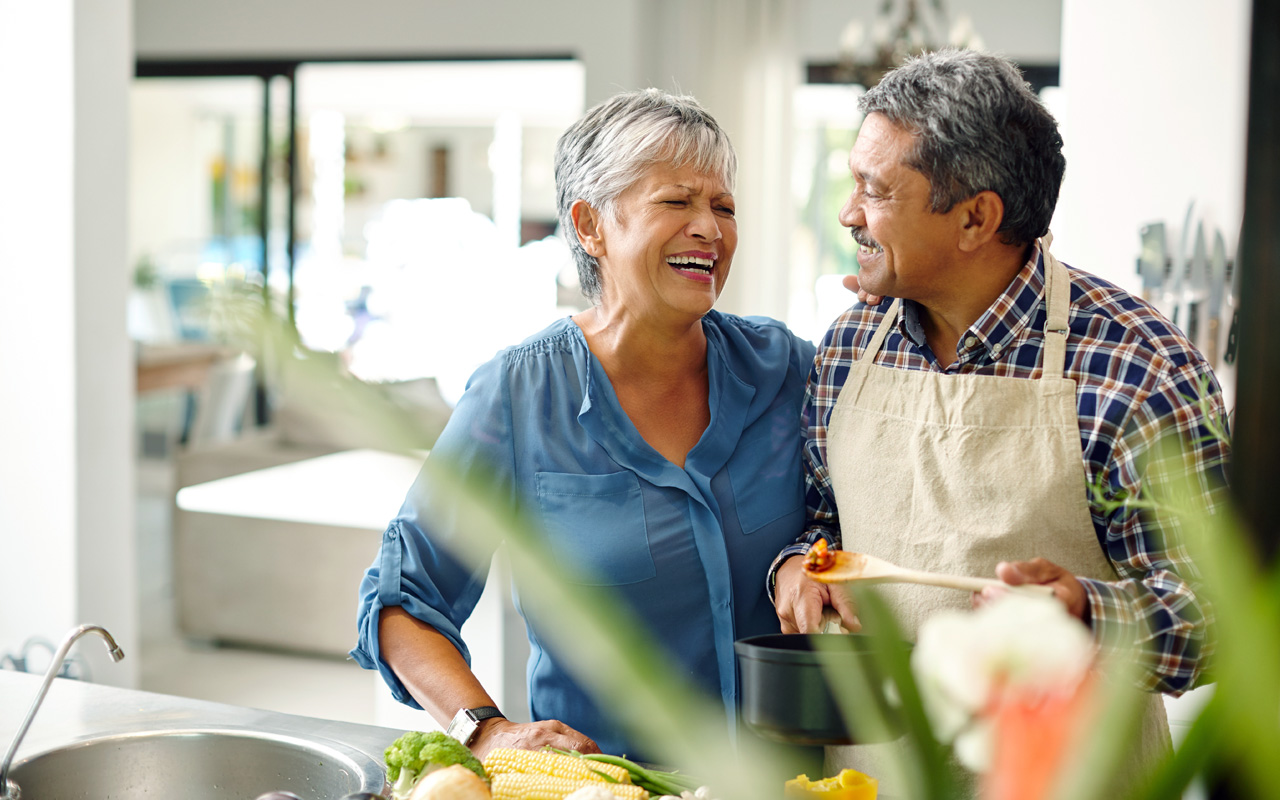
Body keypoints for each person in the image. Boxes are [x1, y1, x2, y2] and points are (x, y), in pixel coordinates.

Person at [769, 49, 1230, 783]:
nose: (848, 213)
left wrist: (1086, 615)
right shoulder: (851, 343)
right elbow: (826, 521)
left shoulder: (1137, 365)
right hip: (875, 781)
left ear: (976, 218)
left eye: (875, 190)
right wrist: (798, 564)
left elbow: (1222, 611)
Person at [351, 89, 816, 762]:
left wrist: (812, 548)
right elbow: (401, 601)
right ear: (591, 226)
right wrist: (485, 731)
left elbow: (858, 505)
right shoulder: (518, 394)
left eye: (724, 207)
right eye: (677, 202)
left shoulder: (784, 370)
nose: (710, 230)